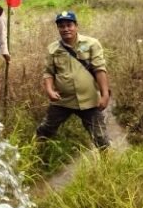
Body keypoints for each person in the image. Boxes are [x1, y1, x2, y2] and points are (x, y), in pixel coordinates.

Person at [36, 11, 110, 149]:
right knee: (45, 130)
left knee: (101, 138)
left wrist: (105, 95)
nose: (66, 29)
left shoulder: (91, 43)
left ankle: (107, 165)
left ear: (76, 26)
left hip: (89, 100)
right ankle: (38, 155)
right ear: (58, 28)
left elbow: (100, 69)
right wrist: (49, 90)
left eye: (69, 25)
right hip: (63, 100)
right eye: (62, 26)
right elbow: (48, 72)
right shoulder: (53, 48)